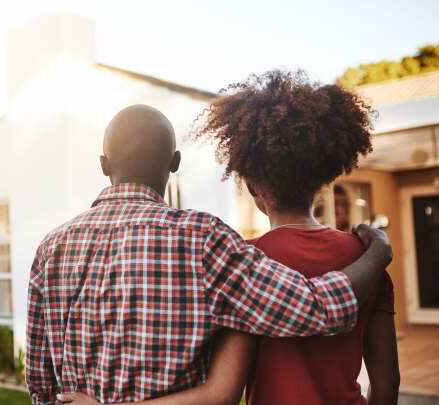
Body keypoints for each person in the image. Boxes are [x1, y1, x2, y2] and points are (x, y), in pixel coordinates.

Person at [61, 71, 400, 405]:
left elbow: (224, 391)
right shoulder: (364, 259)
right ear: (323, 178)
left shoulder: (243, 260)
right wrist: (378, 252)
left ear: (251, 185)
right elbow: (387, 381)